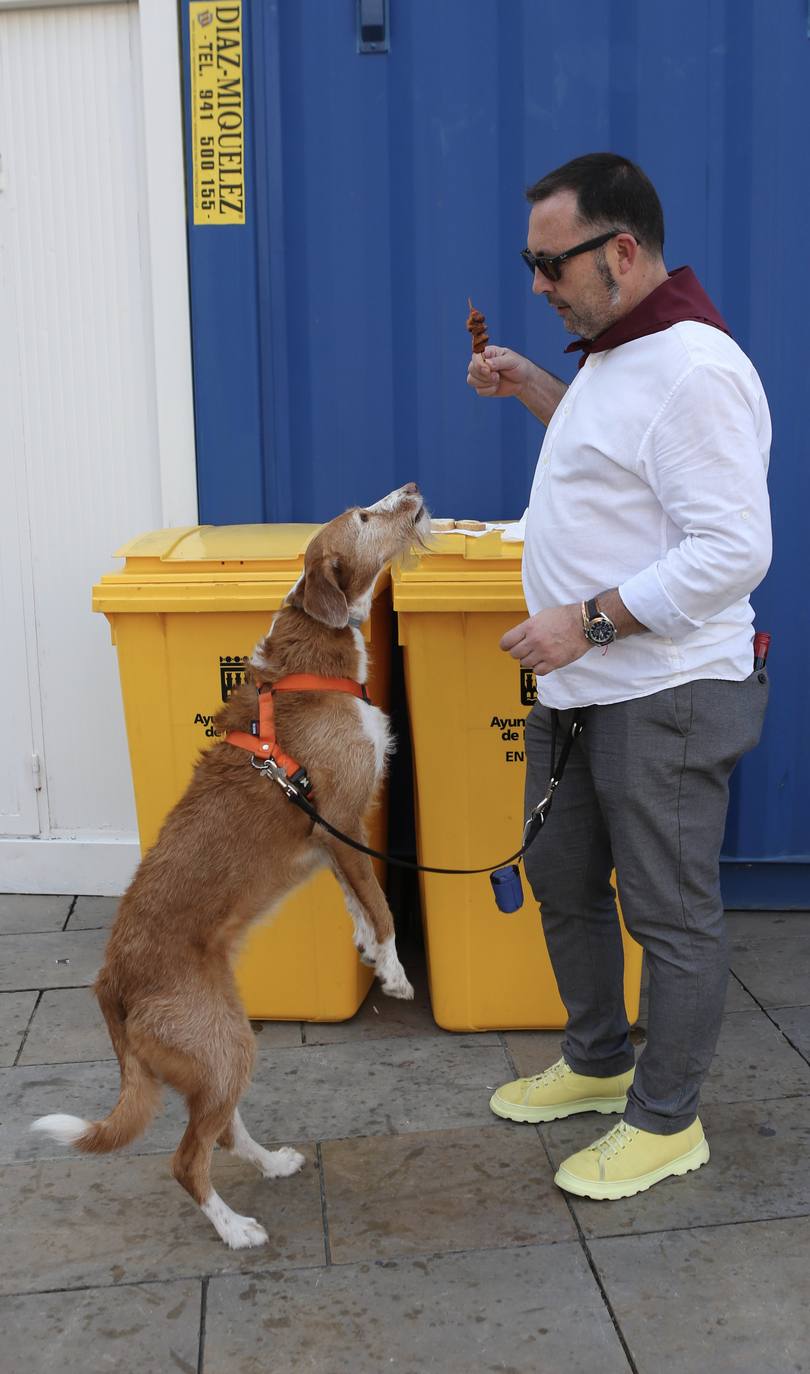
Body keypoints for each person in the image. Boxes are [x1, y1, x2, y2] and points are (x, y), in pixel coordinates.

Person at [468, 152, 771, 1200]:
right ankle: (599, 1062)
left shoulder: (695, 367)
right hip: (584, 690)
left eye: (552, 263)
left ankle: (666, 1121)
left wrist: (584, 624)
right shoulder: (613, 353)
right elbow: (618, 462)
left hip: (665, 691)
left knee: (670, 914)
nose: (539, 284)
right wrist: (535, 388)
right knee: (562, 882)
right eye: (530, 262)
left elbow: (734, 550)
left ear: (623, 251)